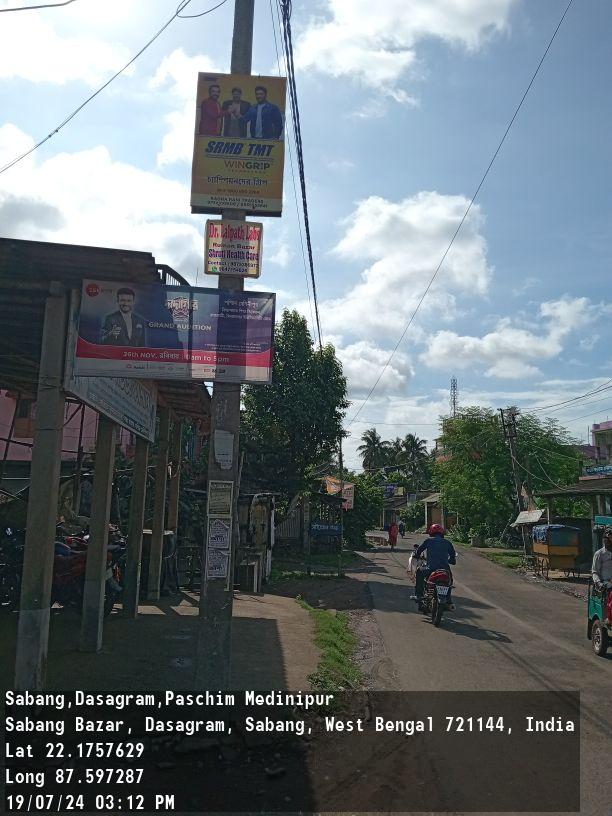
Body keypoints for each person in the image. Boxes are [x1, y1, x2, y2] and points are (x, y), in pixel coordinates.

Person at [413, 524, 456, 608]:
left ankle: (419, 595)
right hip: (445, 570)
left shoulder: (428, 541)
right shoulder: (448, 542)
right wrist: (451, 561)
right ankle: (448, 599)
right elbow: (453, 558)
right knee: (449, 581)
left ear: (431, 532)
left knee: (419, 572)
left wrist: (417, 555)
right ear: (442, 533)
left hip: (430, 568)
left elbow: (419, 550)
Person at [592, 527, 612, 598]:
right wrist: (599, 583)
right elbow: (595, 572)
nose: (607, 542)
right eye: (605, 540)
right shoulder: (599, 554)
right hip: (605, 584)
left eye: (609, 539)